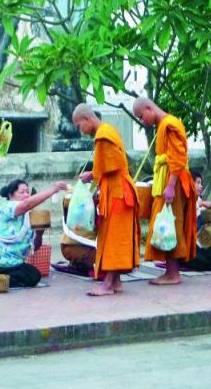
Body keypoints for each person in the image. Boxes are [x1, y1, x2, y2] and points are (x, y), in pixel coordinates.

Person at [73, 104, 141, 295]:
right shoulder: (107, 131)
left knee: (113, 237)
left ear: (87, 119)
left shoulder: (103, 135)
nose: (81, 131)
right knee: (113, 234)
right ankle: (116, 281)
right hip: (115, 190)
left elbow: (111, 166)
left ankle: (108, 284)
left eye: (80, 126)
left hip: (118, 192)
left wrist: (91, 175)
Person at [132, 97, 197, 285]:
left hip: (173, 182)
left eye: (141, 116)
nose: (142, 120)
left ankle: (173, 274)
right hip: (167, 179)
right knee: (164, 224)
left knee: (170, 225)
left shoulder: (169, 124)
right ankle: (170, 271)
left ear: (149, 107)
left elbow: (177, 157)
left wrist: (170, 186)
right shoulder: (162, 125)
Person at [0, 179, 67, 288]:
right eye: (22, 192)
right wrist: (53, 190)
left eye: (27, 192)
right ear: (10, 195)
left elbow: (35, 247)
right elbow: (26, 204)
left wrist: (39, 234)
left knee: (34, 275)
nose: (26, 195)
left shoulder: (29, 216)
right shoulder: (7, 207)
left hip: (13, 264)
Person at [180, 170, 211, 272]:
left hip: (200, 244)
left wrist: (209, 209)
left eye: (201, 183)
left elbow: (208, 230)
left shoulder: (199, 200)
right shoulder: (184, 200)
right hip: (187, 245)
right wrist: (201, 205)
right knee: (200, 261)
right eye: (197, 182)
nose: (201, 186)